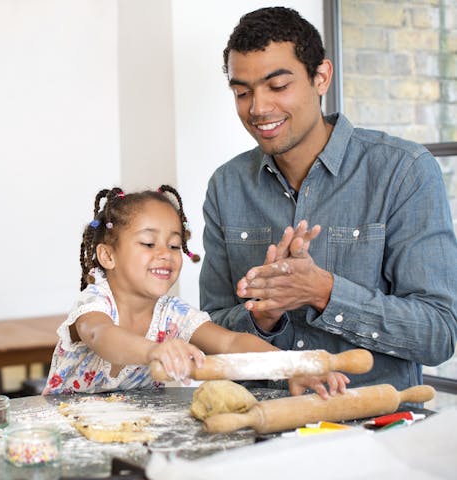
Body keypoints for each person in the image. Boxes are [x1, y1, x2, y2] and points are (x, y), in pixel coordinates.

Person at [199, 7, 457, 392]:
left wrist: (323, 292)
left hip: (374, 431)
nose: (258, 108)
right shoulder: (227, 185)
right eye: (242, 92)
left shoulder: (404, 170)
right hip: (262, 429)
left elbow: (439, 334)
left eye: (278, 86)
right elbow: (209, 331)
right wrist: (262, 316)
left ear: (321, 77)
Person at [43, 185, 348, 396]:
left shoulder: (172, 314)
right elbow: (101, 336)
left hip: (129, 432)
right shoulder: (96, 302)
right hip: (66, 429)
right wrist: (153, 351)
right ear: (108, 256)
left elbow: (229, 342)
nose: (165, 253)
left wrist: (294, 366)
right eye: (149, 244)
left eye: (175, 245)